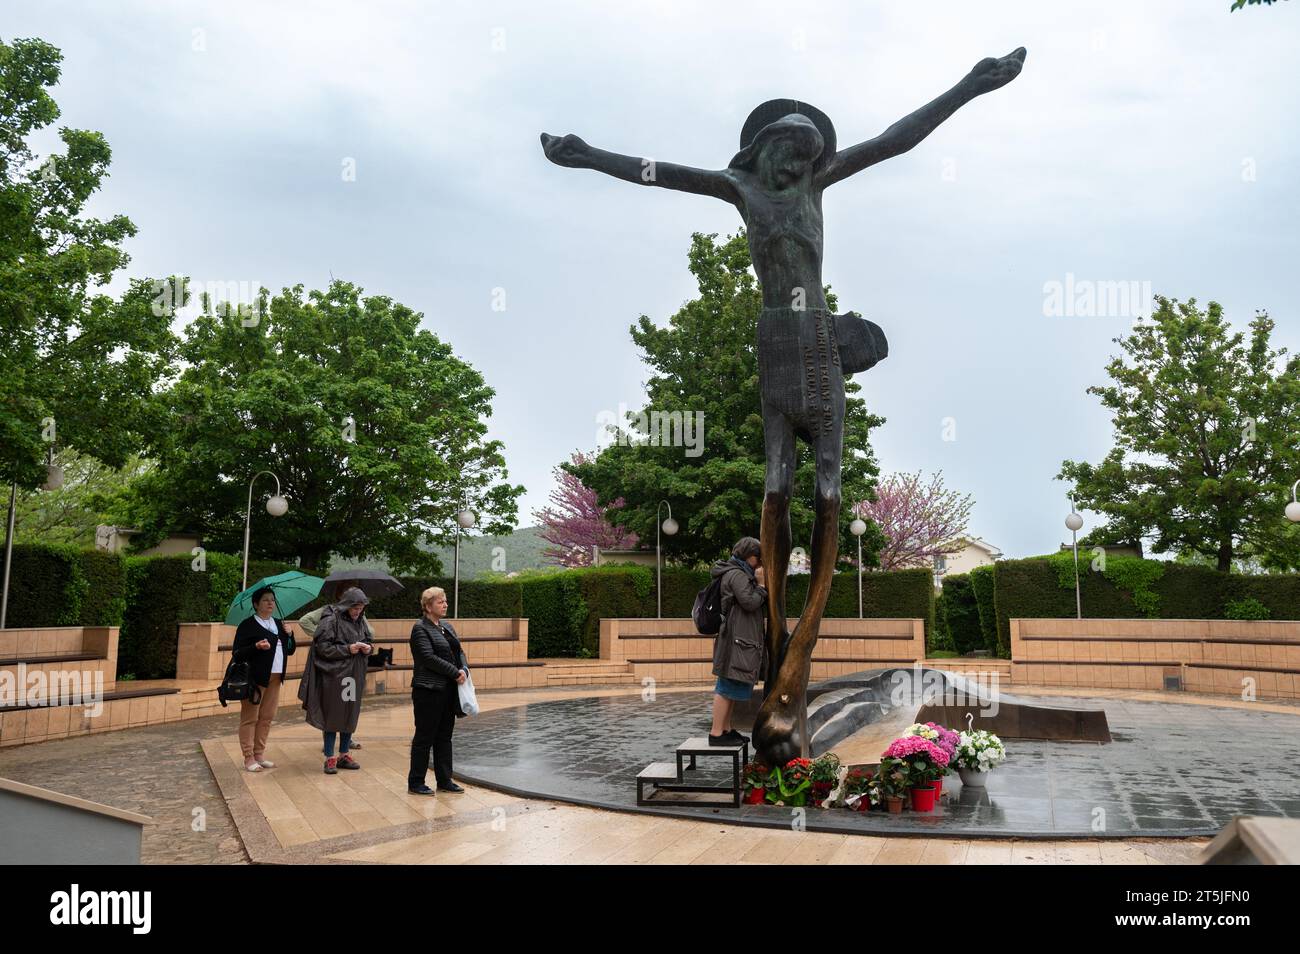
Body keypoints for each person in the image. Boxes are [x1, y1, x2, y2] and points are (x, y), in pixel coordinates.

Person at [297, 586, 372, 774]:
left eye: (361, 608)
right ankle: (330, 757)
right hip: (333, 675)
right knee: (333, 715)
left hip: (353, 675)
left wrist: (367, 648)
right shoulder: (331, 619)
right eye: (355, 608)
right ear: (347, 605)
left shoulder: (360, 621)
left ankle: (344, 754)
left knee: (349, 713)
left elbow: (369, 638)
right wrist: (347, 649)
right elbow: (322, 648)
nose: (358, 612)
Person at [407, 586, 468, 796]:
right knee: (424, 737)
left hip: (448, 691)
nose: (445, 605)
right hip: (428, 691)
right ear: (428, 606)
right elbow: (427, 657)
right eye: (440, 602)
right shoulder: (420, 629)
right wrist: (454, 672)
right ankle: (416, 782)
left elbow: (459, 651)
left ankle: (445, 780)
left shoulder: (447, 627)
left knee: (444, 736)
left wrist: (464, 669)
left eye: (445, 601)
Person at [708, 537, 767, 747]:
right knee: (725, 686)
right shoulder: (736, 574)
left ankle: (726, 729)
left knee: (730, 686)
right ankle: (716, 733)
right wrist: (761, 586)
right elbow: (750, 602)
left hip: (737, 637)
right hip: (735, 638)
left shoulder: (737, 572)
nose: (760, 563)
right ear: (750, 556)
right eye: (758, 558)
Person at [231, 586, 296, 772]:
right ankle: (248, 757)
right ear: (256, 604)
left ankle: (259, 754)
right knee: (250, 718)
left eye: (273, 600)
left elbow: (289, 650)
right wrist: (256, 647)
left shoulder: (279, 624)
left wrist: (290, 635)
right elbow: (237, 653)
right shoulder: (247, 625)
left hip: (275, 678)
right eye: (266, 600)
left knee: (267, 717)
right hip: (255, 679)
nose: (270, 603)